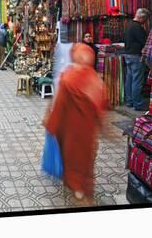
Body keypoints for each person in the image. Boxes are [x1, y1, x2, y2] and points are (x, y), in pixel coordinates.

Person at [44, 43, 107, 205]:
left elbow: (59, 106)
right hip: (88, 132)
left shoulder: (68, 78)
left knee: (72, 159)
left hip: (70, 131)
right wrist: (103, 128)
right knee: (86, 159)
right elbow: (101, 108)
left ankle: (78, 191)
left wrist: (50, 124)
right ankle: (85, 188)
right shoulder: (96, 80)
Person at [124, 8, 150, 110]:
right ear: (142, 17)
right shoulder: (138, 27)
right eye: (146, 19)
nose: (145, 22)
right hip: (136, 56)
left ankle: (130, 101)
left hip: (128, 55)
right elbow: (144, 41)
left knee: (130, 79)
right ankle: (138, 104)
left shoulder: (129, 25)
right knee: (137, 80)